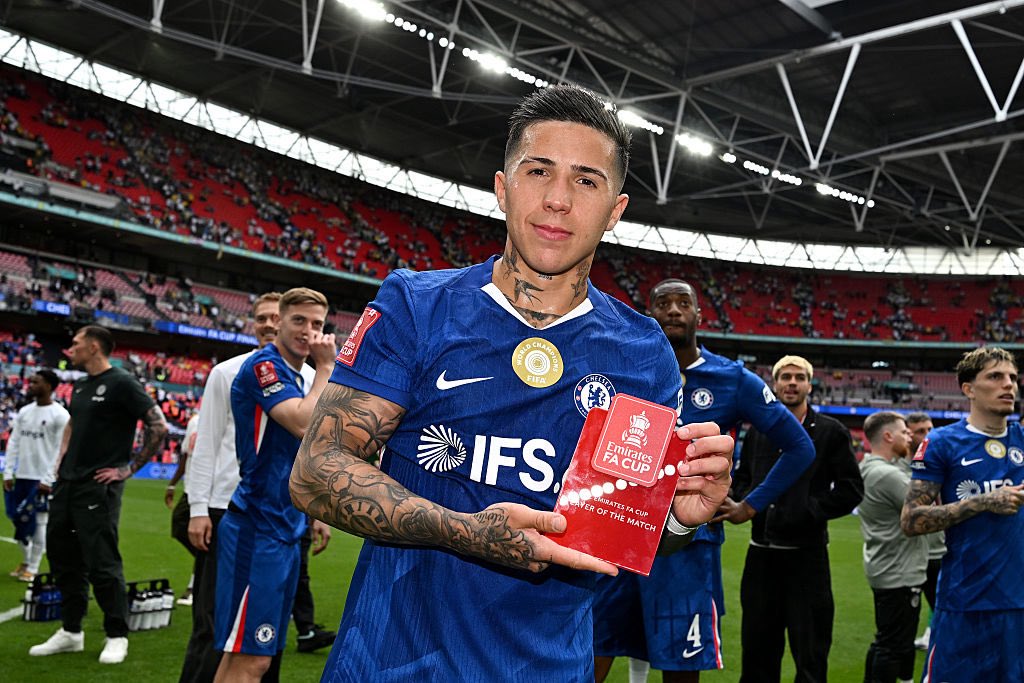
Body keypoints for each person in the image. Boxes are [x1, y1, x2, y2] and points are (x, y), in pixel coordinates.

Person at [289, 84, 735, 682]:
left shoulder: (643, 352)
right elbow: (316, 470)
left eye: (586, 180)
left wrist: (677, 518)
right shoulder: (418, 306)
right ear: (503, 188)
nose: (557, 200)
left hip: (550, 668)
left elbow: (622, 533)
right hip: (393, 662)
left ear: (616, 210)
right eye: (538, 171)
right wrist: (469, 533)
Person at [592, 279, 815, 683]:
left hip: (688, 545)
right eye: (663, 303)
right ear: (649, 313)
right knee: (592, 651)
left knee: (681, 665)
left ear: (699, 314)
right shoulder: (624, 367)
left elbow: (800, 446)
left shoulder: (733, 379)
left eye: (683, 303)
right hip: (621, 531)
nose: (673, 310)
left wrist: (750, 505)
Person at [180, 292, 329, 683]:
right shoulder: (263, 367)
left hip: (285, 526)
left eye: (316, 324)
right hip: (256, 527)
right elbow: (302, 423)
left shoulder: (300, 376)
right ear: (278, 322)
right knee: (247, 658)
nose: (309, 332)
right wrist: (327, 366)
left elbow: (313, 451)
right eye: (299, 321)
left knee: (256, 656)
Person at [29, 325, 169, 664]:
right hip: (68, 483)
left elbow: (158, 426)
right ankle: (71, 631)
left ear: (94, 347)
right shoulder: (79, 385)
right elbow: (73, 425)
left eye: (76, 344)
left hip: (98, 487)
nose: (70, 349)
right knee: (63, 558)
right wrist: (61, 460)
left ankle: (117, 634)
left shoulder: (122, 382)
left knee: (102, 562)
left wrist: (126, 470)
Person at [732, 354, 863, 683]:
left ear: (809, 384)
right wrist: (746, 501)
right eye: (785, 377)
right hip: (760, 555)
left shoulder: (832, 432)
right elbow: (744, 477)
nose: (792, 382)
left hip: (808, 559)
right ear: (774, 384)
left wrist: (808, 510)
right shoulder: (758, 431)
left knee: (811, 654)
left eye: (799, 377)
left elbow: (850, 489)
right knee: (758, 652)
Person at [902, 346, 1024, 682]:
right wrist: (983, 502)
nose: (1009, 385)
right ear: (968, 388)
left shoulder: (1022, 440)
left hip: (1019, 605)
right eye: (996, 377)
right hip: (965, 601)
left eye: (1013, 378)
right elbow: (911, 520)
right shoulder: (942, 442)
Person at [858, 411, 927, 683]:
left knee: (886, 641)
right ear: (888, 436)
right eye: (905, 433)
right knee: (892, 646)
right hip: (898, 569)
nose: (910, 438)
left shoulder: (870, 467)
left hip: (886, 564)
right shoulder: (887, 475)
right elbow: (926, 509)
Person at [3, 369, 69, 582]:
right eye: (30, 381)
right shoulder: (25, 411)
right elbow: (14, 442)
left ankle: (32, 566)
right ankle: (26, 559)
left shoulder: (60, 415)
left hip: (43, 478)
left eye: (35, 382)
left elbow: (61, 449)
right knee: (17, 518)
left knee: (40, 522)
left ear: (49, 386)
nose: (30, 385)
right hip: (22, 474)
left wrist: (49, 478)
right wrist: (8, 471)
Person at [902, 411, 943, 652]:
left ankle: (933, 636)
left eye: (930, 429)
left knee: (942, 602)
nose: (928, 435)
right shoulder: (899, 467)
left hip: (939, 548)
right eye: (920, 431)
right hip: (909, 552)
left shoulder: (939, 462)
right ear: (908, 435)